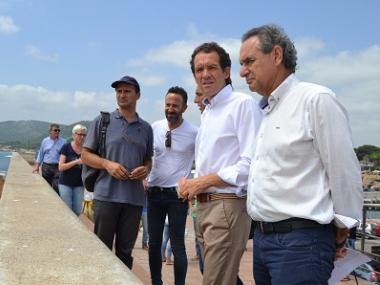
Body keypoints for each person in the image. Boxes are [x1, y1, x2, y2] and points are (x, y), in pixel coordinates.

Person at [239, 24, 363, 285]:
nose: (243, 71)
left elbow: (343, 170)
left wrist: (342, 229)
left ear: (276, 55)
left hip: (301, 244)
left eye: (249, 61)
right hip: (263, 241)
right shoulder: (266, 112)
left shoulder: (316, 100)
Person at [178, 42, 262, 285]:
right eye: (199, 69)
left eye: (211, 67)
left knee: (215, 281)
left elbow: (251, 165)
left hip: (227, 206)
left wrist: (202, 181)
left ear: (226, 72)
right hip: (205, 207)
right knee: (218, 278)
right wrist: (191, 182)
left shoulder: (242, 104)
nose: (205, 74)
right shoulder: (209, 110)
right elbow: (214, 162)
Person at [81, 75, 153, 269]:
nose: (122, 95)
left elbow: (148, 159)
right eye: (119, 91)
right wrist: (107, 164)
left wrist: (145, 169)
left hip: (134, 200)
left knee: (125, 253)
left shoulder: (146, 128)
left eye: (127, 91)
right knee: (101, 250)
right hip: (106, 196)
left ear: (138, 95)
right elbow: (85, 155)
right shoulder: (102, 122)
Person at [147, 86, 197, 285]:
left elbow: (202, 162)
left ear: (184, 107)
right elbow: (148, 156)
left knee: (177, 245)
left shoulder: (194, 132)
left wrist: (193, 186)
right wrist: (144, 177)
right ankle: (156, 282)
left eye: (175, 105)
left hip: (178, 196)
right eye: (168, 105)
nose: (170, 109)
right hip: (154, 192)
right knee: (154, 243)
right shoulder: (154, 127)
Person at [58, 124, 87, 216]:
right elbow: (61, 167)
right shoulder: (66, 147)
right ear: (73, 135)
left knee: (77, 210)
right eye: (79, 134)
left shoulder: (86, 150)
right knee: (67, 209)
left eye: (84, 135)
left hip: (79, 184)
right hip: (65, 183)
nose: (82, 137)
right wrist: (76, 162)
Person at [33, 123, 67, 193]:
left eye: (58, 130)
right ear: (50, 131)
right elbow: (40, 154)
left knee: (57, 187)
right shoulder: (45, 141)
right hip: (46, 167)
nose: (57, 132)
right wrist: (37, 167)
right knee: (46, 187)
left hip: (57, 167)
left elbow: (66, 156)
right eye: (55, 130)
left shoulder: (64, 142)